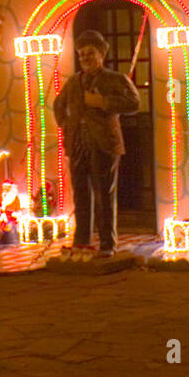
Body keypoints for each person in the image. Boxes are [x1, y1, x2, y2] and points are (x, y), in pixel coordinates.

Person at [53, 30, 140, 258]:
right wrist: (67, 125)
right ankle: (81, 241)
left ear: (101, 54)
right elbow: (58, 105)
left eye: (90, 53)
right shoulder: (73, 82)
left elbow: (133, 102)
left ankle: (107, 244)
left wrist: (104, 102)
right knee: (80, 195)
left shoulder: (115, 79)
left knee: (104, 195)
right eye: (82, 54)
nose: (85, 58)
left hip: (104, 144)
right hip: (78, 144)